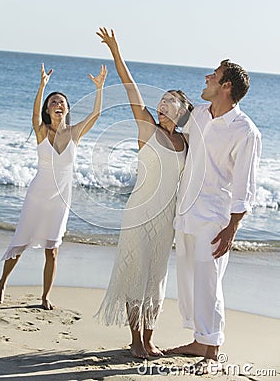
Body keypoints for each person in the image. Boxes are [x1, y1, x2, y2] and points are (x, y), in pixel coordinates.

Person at [95, 27, 193, 359]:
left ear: (181, 112)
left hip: (166, 217)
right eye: (162, 99)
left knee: (156, 278)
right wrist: (116, 53)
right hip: (139, 211)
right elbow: (130, 88)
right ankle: (135, 340)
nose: (163, 104)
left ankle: (149, 339)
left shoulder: (185, 142)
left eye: (171, 102)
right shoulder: (146, 126)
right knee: (135, 272)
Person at [164, 59, 261, 374]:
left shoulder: (246, 131)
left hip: (215, 218)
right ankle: (199, 340)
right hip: (186, 210)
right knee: (190, 279)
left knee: (209, 282)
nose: (207, 78)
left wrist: (232, 228)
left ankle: (213, 351)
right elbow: (173, 132)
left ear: (226, 86)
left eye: (214, 76)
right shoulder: (200, 117)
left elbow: (245, 186)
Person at [0, 63, 107, 310]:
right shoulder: (42, 131)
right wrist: (42, 86)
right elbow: (33, 116)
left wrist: (100, 88)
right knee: (20, 242)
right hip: (37, 196)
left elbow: (96, 115)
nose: (58, 104)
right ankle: (2, 282)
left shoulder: (75, 133)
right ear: (48, 108)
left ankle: (45, 296)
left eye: (61, 102)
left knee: (52, 249)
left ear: (67, 109)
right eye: (53, 102)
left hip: (60, 199)